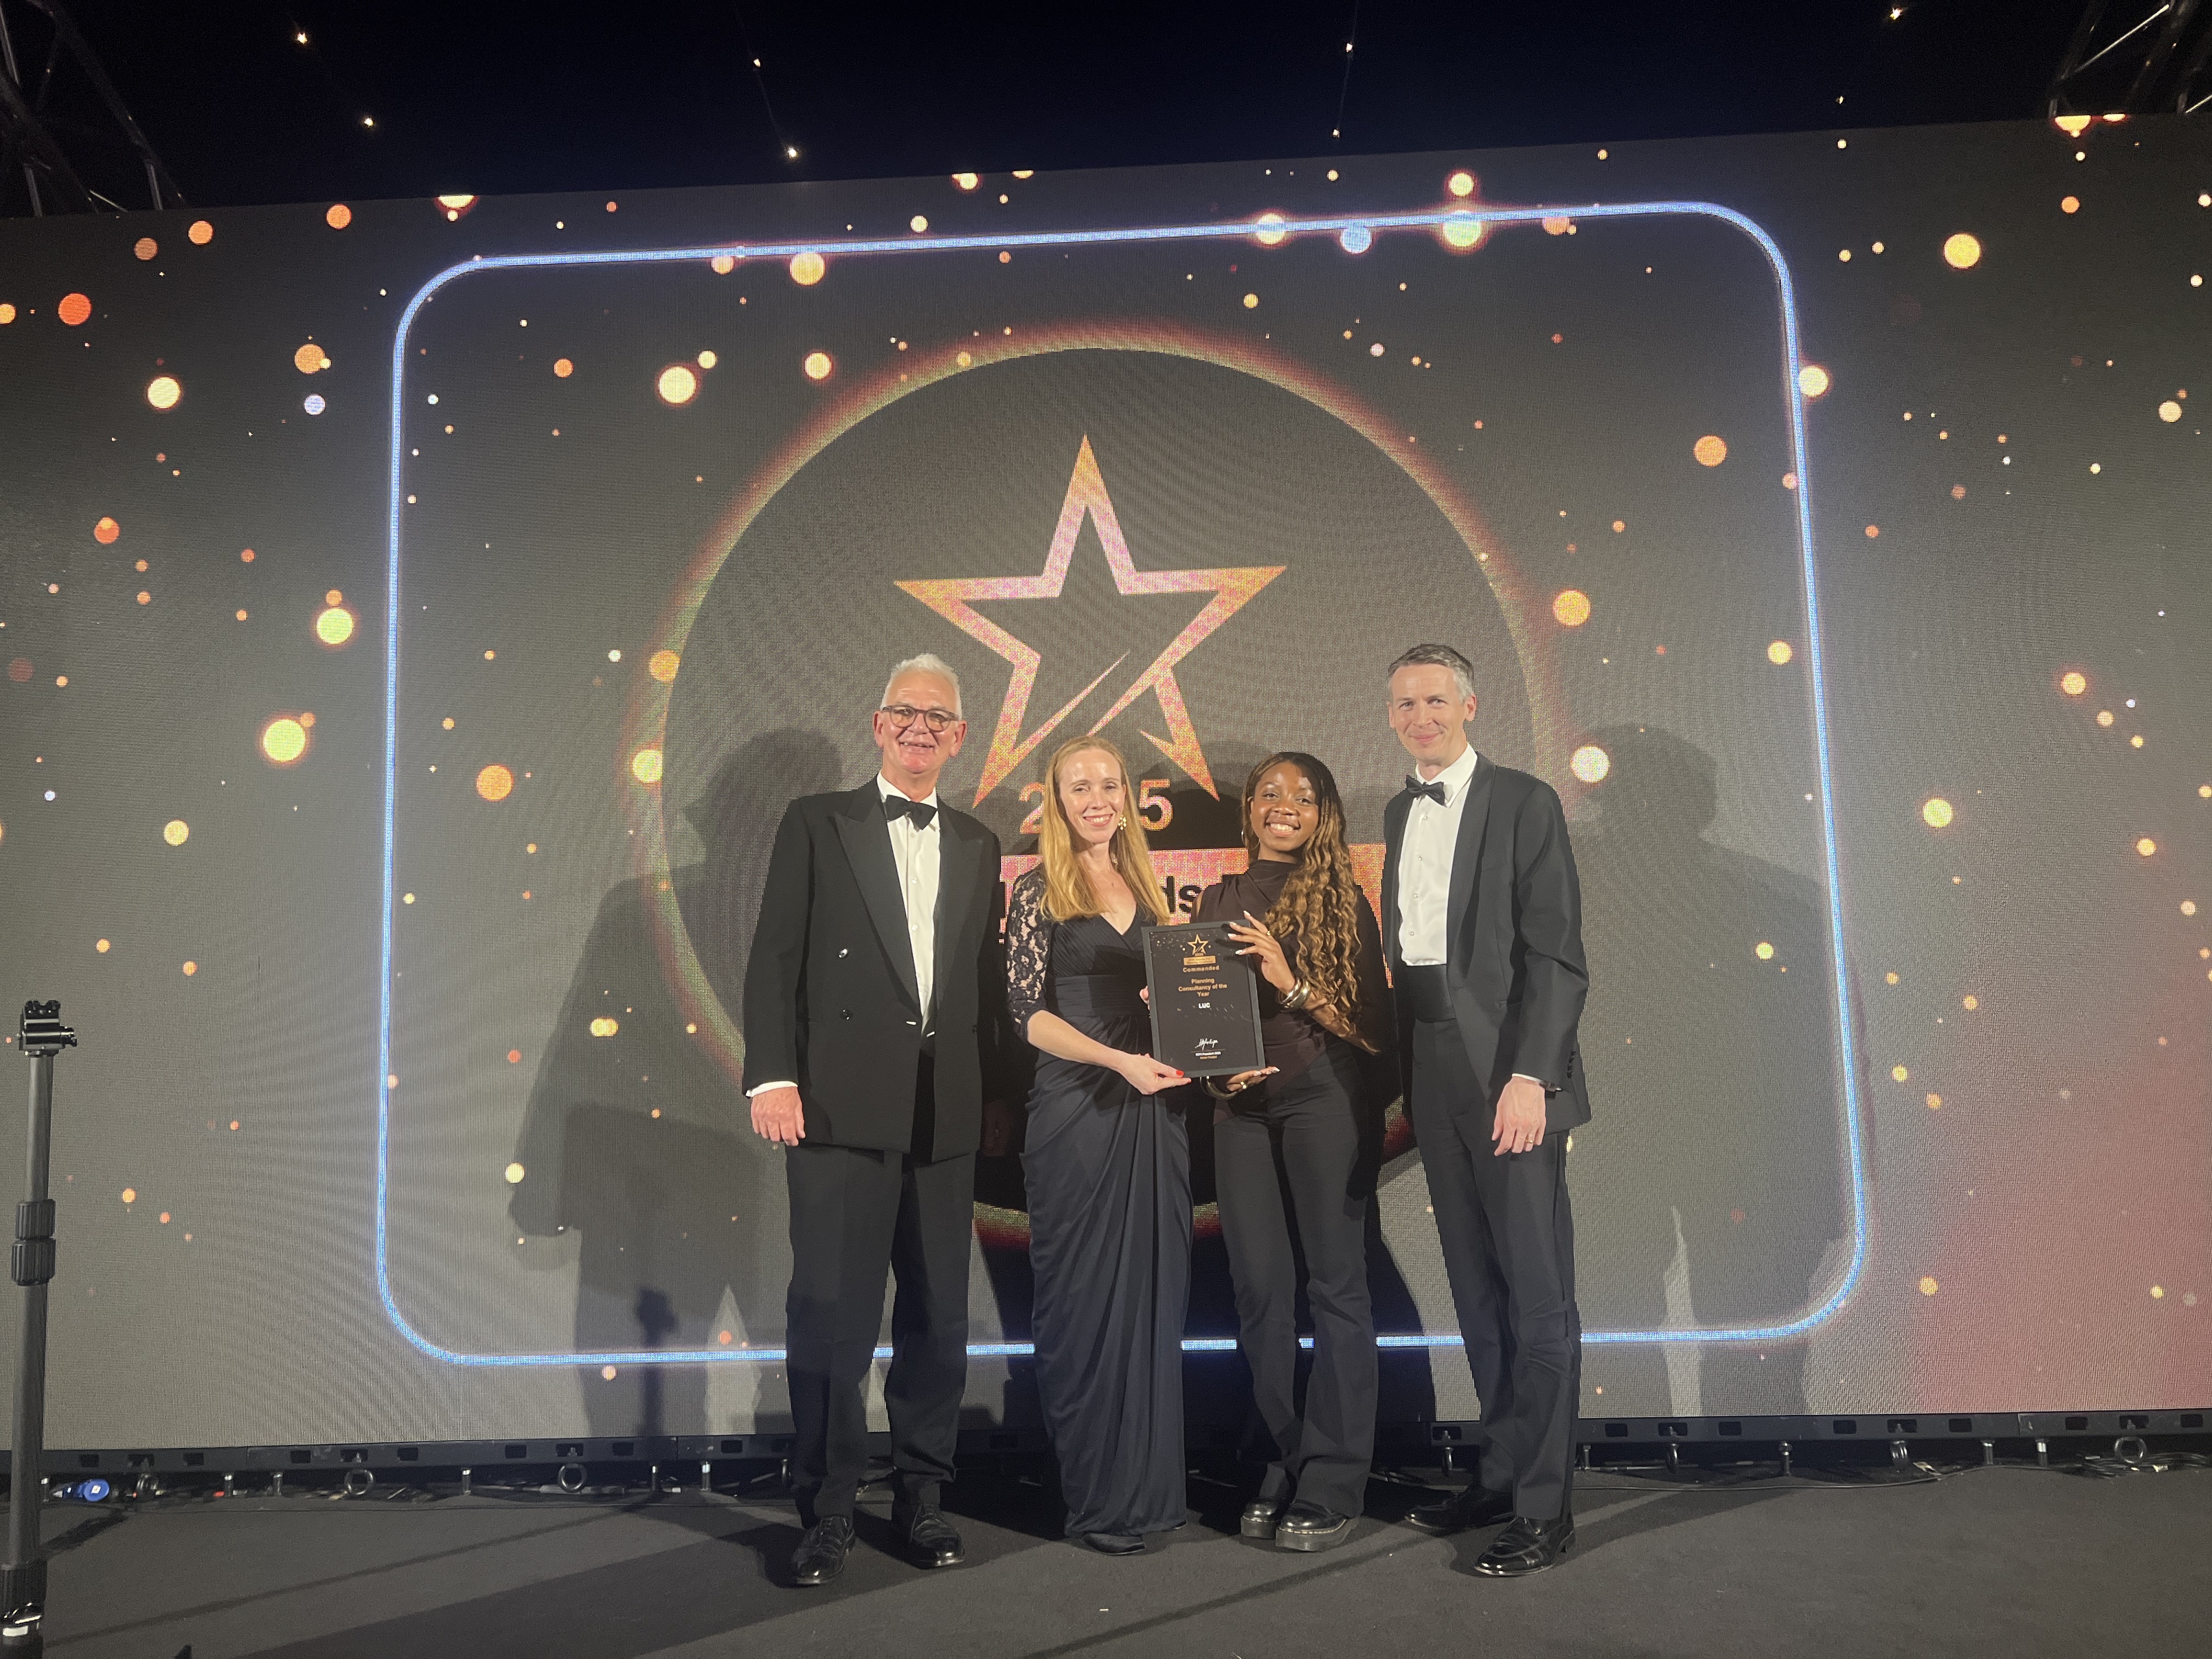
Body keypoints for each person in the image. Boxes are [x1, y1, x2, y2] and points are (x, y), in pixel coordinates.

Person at [741, 654, 1012, 1585]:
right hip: (836, 1106)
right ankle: (826, 1510)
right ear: (877, 722)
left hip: (944, 1113)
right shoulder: (817, 821)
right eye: (906, 712)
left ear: (960, 736)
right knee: (832, 1316)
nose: (920, 728)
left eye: (939, 717)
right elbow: (776, 958)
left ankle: (924, 1497)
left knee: (939, 1318)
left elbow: (983, 984)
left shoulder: (979, 841)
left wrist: (997, 1098)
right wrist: (772, 1077)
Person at [1381, 643, 1591, 1577]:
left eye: (1436, 700)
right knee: (1474, 1286)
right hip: (1431, 1068)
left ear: (1470, 705)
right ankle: (1502, 1472)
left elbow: (1557, 956)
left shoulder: (1524, 800)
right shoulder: (1400, 810)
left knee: (1535, 1294)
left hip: (1510, 1076)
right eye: (1405, 704)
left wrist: (1533, 1076)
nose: (1420, 717)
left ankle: (1545, 1507)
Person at [1194, 752, 1397, 1553]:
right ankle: (1279, 1461)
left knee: (1336, 1289)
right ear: (1249, 808)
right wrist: (1214, 1073)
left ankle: (1334, 1480)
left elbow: (1373, 1030)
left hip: (1324, 1102)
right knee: (1258, 1292)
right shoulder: (1215, 898)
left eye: (1303, 798)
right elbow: (1201, 1020)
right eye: (1270, 794)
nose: (1284, 806)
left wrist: (1289, 978)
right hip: (1240, 1114)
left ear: (1323, 817)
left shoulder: (1342, 899)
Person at [1006, 734, 1192, 1554]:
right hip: (1079, 1106)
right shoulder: (1037, 890)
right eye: (1079, 786)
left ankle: (1149, 1493)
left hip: (1156, 1108)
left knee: (1154, 1292)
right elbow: (1027, 1016)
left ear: (1129, 797)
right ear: (1055, 799)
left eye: (1109, 784)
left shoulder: (1149, 887)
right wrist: (1118, 1060)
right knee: (1081, 1298)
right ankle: (1097, 1501)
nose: (1096, 799)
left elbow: (1180, 996)